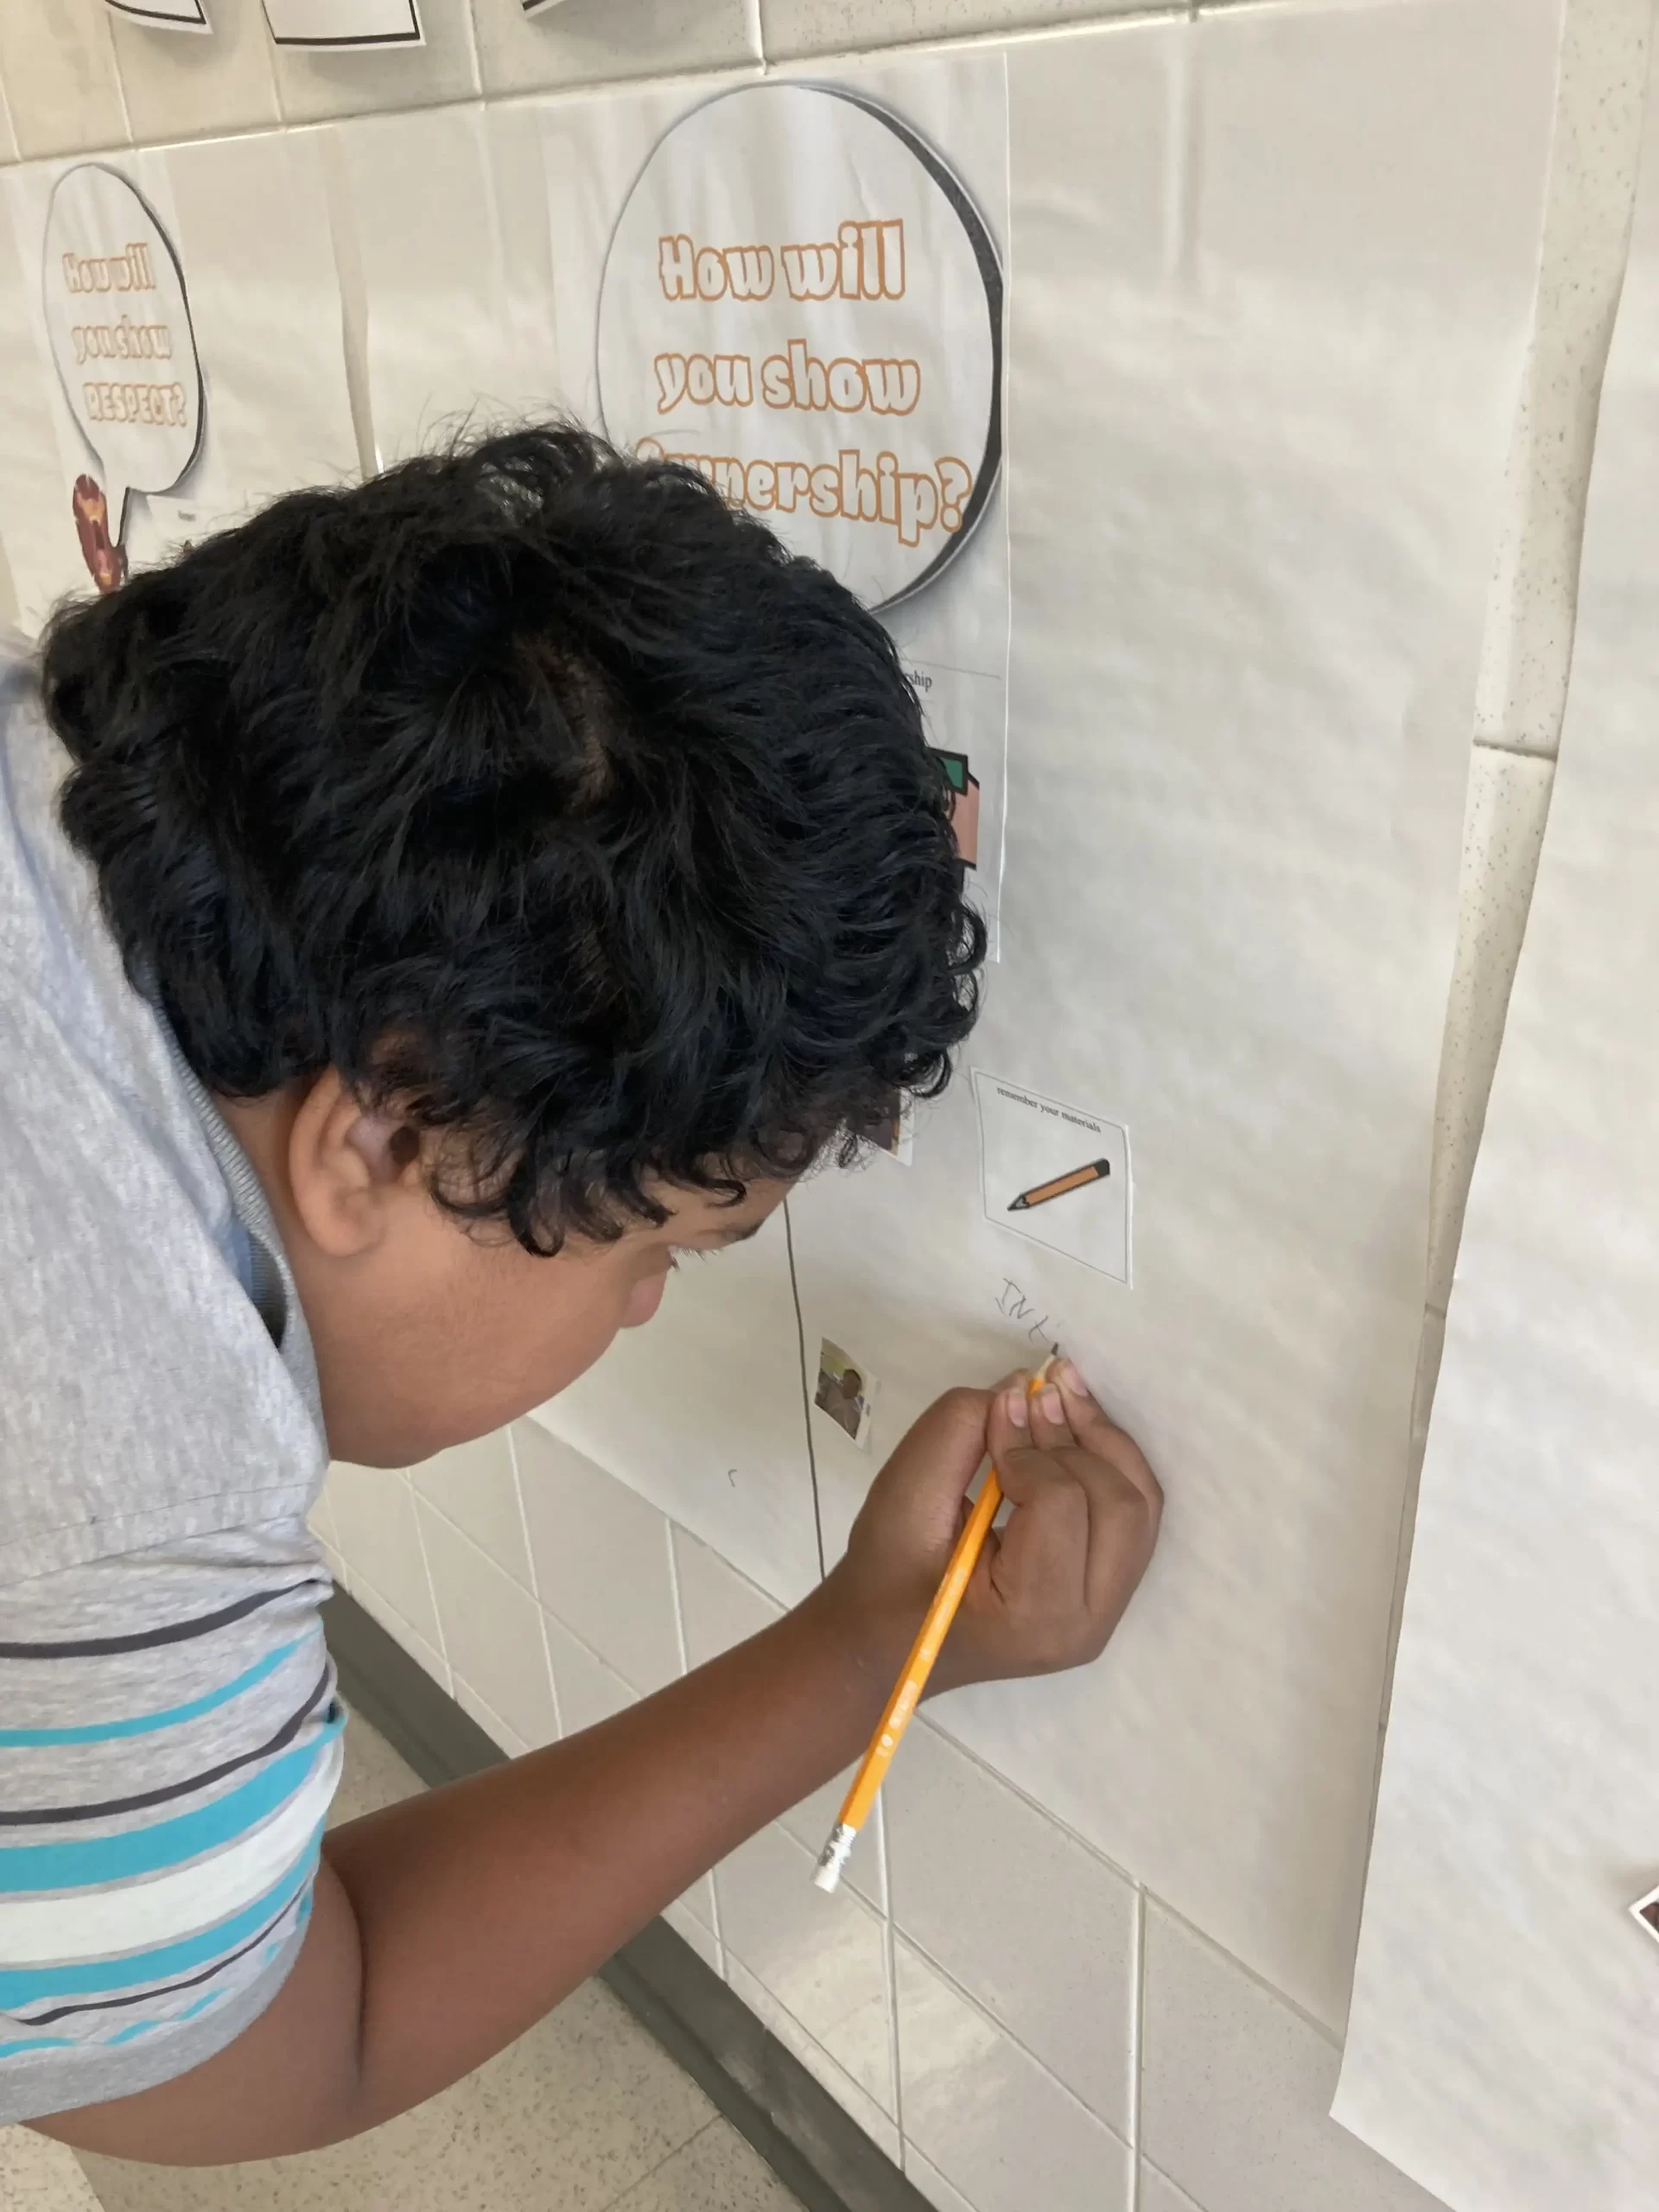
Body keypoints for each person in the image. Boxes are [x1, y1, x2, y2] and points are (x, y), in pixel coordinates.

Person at [0, 424, 1161, 2165]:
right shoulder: (115, 1492)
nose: (636, 1316)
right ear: (377, 1142)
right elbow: (294, 2042)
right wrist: (865, 1642)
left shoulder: (48, 758)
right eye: (659, 1256)